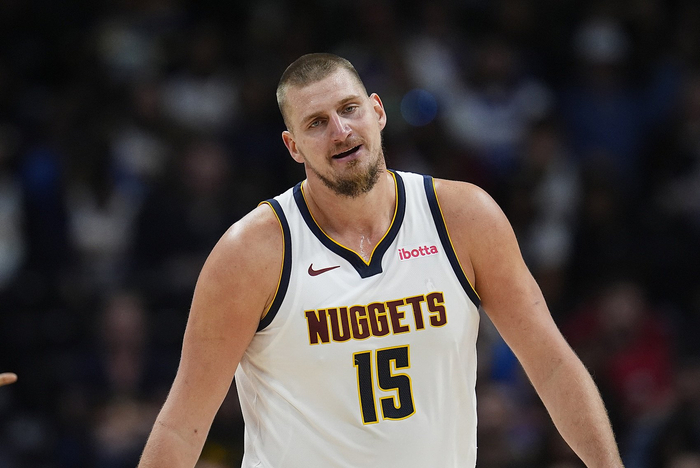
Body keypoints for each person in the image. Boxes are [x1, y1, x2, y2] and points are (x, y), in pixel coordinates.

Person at [138, 53, 623, 467]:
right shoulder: (250, 254)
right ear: (293, 146)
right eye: (316, 123)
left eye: (349, 109)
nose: (340, 131)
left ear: (378, 111)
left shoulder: (463, 218)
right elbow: (181, 427)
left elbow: (552, 365)